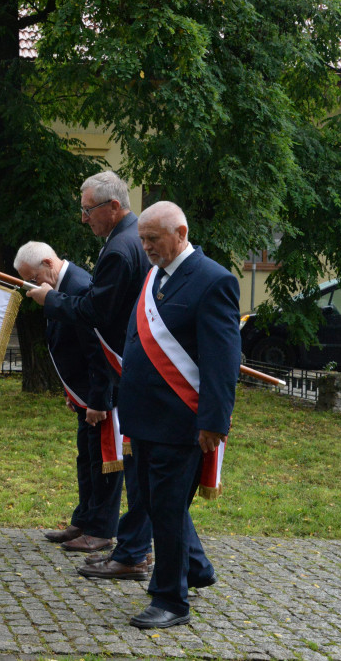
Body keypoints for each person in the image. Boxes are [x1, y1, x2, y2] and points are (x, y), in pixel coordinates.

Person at [25, 170, 154, 579]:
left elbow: (96, 318)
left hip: (127, 370)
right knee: (130, 468)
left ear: (113, 207)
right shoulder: (125, 241)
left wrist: (51, 300)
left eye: (88, 210)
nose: (84, 219)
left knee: (130, 467)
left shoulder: (120, 248)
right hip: (129, 369)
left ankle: (129, 548)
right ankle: (133, 548)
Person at [119, 201, 241, 629]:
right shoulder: (156, 275)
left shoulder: (214, 281)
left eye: (154, 239)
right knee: (154, 504)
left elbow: (222, 361)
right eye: (143, 240)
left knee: (167, 511)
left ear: (181, 233)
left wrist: (213, 422)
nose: (147, 247)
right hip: (143, 419)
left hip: (180, 421)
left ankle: (172, 600)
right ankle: (197, 567)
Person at [14, 241, 117, 553]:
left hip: (99, 397)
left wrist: (99, 401)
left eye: (32, 278)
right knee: (86, 458)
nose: (31, 287)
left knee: (104, 462)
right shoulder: (62, 284)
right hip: (83, 394)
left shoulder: (80, 286)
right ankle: (84, 521)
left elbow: (97, 350)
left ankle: (101, 530)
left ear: (48, 263)